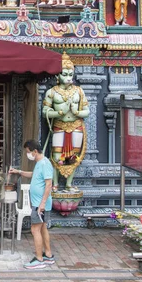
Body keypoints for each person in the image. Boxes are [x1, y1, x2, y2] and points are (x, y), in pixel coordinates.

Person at [42, 53, 89, 191]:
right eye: (64, 74)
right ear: (57, 76)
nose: (68, 78)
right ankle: (55, 183)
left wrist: (76, 112)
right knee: (56, 155)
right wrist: (58, 113)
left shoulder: (79, 91)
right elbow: (45, 111)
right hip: (59, 125)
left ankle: (68, 184)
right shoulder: (52, 92)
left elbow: (87, 111)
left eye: (70, 74)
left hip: (76, 125)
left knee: (74, 156)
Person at [9, 140, 54, 270]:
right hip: (39, 203)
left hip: (40, 204)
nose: (28, 155)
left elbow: (48, 184)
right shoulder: (39, 164)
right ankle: (48, 255)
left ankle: (39, 259)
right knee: (43, 228)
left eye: (28, 152)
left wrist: (42, 204)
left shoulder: (45, 163)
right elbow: (34, 176)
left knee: (35, 230)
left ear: (35, 151)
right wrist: (18, 172)